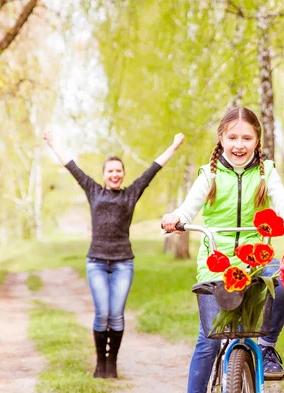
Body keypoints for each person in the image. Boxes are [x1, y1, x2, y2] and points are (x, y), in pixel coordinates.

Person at [161, 107, 284, 393]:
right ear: (221, 138)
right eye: (233, 137)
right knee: (208, 341)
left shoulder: (265, 172)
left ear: (257, 140)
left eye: (247, 138)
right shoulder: (210, 174)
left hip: (255, 261)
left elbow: (283, 202)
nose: (239, 145)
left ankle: (267, 346)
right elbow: (189, 207)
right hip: (216, 263)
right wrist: (175, 218)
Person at [44, 130, 185, 379]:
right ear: (104, 175)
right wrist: (54, 143)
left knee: (117, 314)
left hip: (123, 263)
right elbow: (70, 165)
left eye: (119, 170)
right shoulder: (92, 190)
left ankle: (112, 363)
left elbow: (153, 169)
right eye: (110, 171)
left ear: (123, 174)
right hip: (96, 262)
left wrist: (173, 147)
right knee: (102, 313)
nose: (115, 174)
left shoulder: (131, 193)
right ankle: (100, 363)